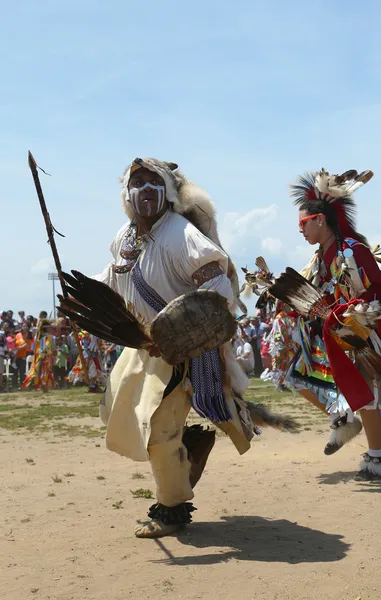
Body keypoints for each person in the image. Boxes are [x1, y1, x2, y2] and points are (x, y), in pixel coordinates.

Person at [88, 157, 294, 539]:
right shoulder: (125, 237)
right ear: (127, 195)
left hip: (180, 352)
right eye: (137, 183)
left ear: (167, 191)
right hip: (142, 346)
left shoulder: (180, 235)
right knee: (120, 413)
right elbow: (112, 280)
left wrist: (185, 335)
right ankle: (189, 448)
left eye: (153, 182)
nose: (145, 189)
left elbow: (219, 289)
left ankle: (172, 509)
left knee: (158, 432)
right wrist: (84, 297)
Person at [284, 168, 381, 479]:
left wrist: (354, 311)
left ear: (320, 220)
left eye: (303, 223)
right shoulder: (321, 258)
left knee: (369, 391)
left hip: (363, 332)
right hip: (338, 333)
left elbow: (375, 289)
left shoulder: (351, 250)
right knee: (296, 373)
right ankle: (343, 418)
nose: (300, 230)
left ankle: (376, 458)